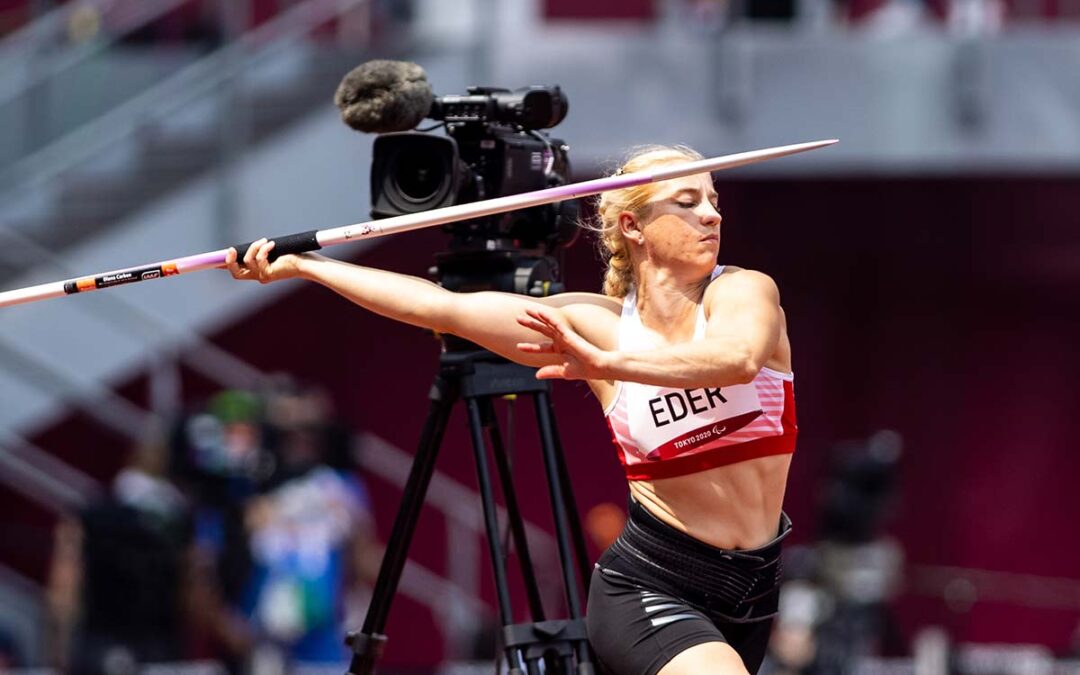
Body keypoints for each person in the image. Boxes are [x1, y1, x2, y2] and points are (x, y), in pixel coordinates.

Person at [224, 144, 797, 675]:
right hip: (653, 586)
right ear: (632, 226)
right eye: (688, 201)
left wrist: (606, 365)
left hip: (752, 593)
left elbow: (737, 360)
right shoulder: (592, 325)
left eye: (714, 201)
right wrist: (306, 267)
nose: (712, 216)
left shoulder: (744, 292)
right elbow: (440, 307)